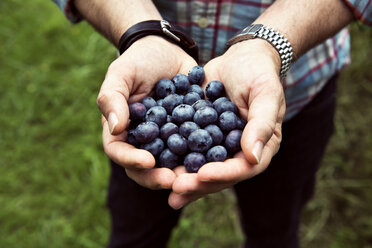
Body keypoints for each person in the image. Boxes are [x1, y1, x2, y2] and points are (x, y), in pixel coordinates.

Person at [52, 0, 372, 247]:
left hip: (298, 94)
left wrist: (269, 45)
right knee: (134, 232)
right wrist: (141, 32)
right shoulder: (155, 125)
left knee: (275, 229)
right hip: (145, 88)